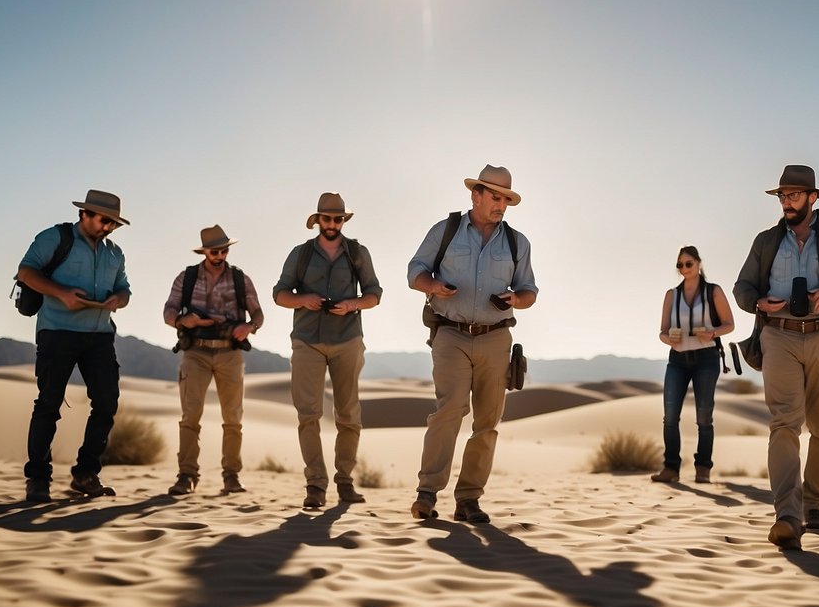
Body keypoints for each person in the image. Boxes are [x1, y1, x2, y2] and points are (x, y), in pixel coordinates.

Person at [733, 165, 819, 551]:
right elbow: (742, 287)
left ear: (813, 197)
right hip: (777, 335)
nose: (786, 202)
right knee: (784, 423)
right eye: (782, 196)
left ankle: (814, 504)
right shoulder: (765, 241)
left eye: (794, 195)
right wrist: (757, 301)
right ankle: (787, 515)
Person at [407, 165, 538, 524]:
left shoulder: (517, 242)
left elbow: (530, 290)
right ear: (475, 195)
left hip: (496, 337)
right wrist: (432, 286)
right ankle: (427, 494)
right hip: (450, 333)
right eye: (495, 197)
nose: (501, 205)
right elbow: (414, 271)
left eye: (506, 199)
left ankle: (468, 499)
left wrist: (516, 299)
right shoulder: (446, 230)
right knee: (449, 410)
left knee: (488, 421)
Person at [17, 190, 132, 502]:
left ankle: (85, 473)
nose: (109, 227)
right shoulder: (55, 238)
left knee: (107, 403)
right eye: (104, 220)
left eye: (114, 224)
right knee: (48, 405)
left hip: (100, 337)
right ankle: (38, 480)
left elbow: (125, 290)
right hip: (57, 332)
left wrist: (117, 301)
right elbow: (25, 272)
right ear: (85, 214)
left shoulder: (115, 253)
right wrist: (62, 293)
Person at [273, 193, 383, 509]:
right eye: (327, 218)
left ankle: (345, 482)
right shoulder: (301, 254)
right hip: (307, 340)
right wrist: (302, 299)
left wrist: (352, 304)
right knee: (309, 415)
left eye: (337, 219)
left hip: (348, 339)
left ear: (343, 221)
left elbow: (375, 293)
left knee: (348, 415)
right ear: (317, 219)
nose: (332, 224)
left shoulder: (358, 253)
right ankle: (315, 485)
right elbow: (279, 293)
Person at [162, 225, 265, 496]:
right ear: (204, 251)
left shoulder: (241, 279)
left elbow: (258, 313)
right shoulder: (186, 278)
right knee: (190, 415)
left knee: (233, 418)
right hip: (194, 352)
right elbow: (169, 311)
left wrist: (250, 327)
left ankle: (232, 476)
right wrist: (184, 320)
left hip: (230, 352)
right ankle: (186, 475)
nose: (220, 254)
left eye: (224, 250)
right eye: (214, 250)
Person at [651, 245, 735, 484]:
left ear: (699, 264)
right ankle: (670, 468)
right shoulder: (671, 295)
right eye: (680, 265)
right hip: (677, 360)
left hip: (706, 359)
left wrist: (712, 333)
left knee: (704, 417)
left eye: (688, 263)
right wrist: (669, 338)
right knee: (669, 417)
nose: (684, 269)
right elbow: (662, 331)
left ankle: (703, 469)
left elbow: (729, 324)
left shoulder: (713, 292)